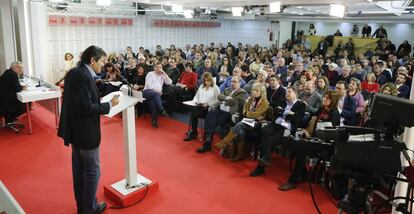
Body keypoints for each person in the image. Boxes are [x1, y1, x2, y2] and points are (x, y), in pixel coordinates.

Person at [57, 45, 119, 214]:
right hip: (85, 133)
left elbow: (80, 101)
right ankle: (89, 208)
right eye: (102, 61)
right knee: (92, 172)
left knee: (79, 172)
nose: (104, 64)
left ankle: (83, 206)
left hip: (76, 132)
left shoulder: (76, 72)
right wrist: (108, 105)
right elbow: (84, 108)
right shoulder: (83, 76)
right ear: (92, 60)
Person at [278, 90, 340, 191]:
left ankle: (292, 181)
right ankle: (303, 174)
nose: (324, 99)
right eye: (324, 97)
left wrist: (312, 135)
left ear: (333, 100)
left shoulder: (334, 113)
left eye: (328, 98)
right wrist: (305, 130)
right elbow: (310, 116)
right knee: (293, 143)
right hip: (315, 138)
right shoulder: (322, 109)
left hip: (325, 143)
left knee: (301, 147)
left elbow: (332, 133)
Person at [250, 87, 306, 176]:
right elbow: (276, 112)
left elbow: (297, 119)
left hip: (286, 128)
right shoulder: (283, 101)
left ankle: (261, 166)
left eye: (289, 92)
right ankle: (266, 159)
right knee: (265, 130)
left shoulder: (301, 105)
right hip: (276, 124)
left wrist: (284, 112)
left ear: (295, 94)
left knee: (269, 140)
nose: (287, 93)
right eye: (286, 92)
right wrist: (289, 113)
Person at [215, 83, 269, 161]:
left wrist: (249, 114)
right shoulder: (250, 99)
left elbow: (256, 114)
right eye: (253, 90)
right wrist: (250, 114)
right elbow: (244, 111)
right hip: (248, 121)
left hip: (257, 124)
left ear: (262, 92)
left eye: (256, 90)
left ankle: (225, 141)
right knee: (240, 131)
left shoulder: (265, 102)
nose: (254, 92)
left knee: (240, 124)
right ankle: (240, 154)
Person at [196, 76, 248, 153]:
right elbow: (219, 97)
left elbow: (234, 102)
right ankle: (207, 141)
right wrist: (227, 98)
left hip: (229, 113)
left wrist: (224, 100)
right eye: (231, 81)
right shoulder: (227, 89)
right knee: (210, 114)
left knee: (213, 121)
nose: (232, 83)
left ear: (239, 83)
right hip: (219, 109)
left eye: (235, 82)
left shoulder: (242, 92)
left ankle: (207, 142)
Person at [184, 73, 220, 141]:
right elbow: (196, 96)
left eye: (208, 80)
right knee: (194, 110)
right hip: (199, 106)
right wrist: (196, 101)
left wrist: (208, 104)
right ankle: (194, 131)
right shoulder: (201, 86)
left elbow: (218, 101)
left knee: (194, 112)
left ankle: (194, 132)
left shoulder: (215, 88)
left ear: (211, 80)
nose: (206, 82)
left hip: (209, 108)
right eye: (204, 80)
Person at [143, 62, 172, 128]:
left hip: (156, 95)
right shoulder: (150, 74)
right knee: (155, 94)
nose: (159, 69)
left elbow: (170, 82)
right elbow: (149, 85)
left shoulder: (162, 75)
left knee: (153, 102)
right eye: (157, 67)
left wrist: (164, 73)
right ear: (154, 68)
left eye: (160, 67)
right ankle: (162, 110)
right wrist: (157, 91)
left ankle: (154, 121)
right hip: (147, 92)